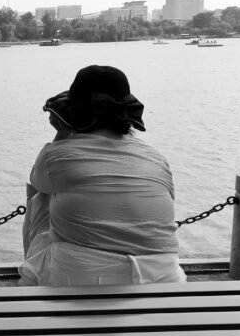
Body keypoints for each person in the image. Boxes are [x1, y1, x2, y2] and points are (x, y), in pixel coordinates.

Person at [19, 65, 186, 286]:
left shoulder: (57, 155)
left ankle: (29, 284)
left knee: (42, 196)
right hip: (164, 278)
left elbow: (38, 181)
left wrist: (62, 132)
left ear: (74, 112)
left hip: (83, 277)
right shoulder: (156, 157)